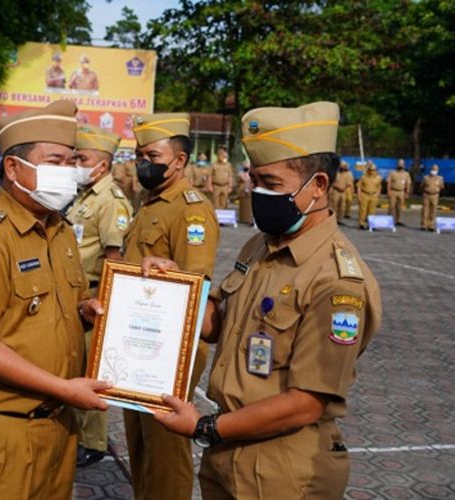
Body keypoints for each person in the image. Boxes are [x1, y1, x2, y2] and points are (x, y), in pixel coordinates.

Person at [153, 101, 382, 499]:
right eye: (253, 179)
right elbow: (220, 325)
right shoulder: (260, 245)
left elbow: (306, 403)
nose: (257, 193)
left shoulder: (337, 281)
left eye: (271, 184)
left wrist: (205, 428)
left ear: (320, 186)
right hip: (227, 456)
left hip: (285, 470)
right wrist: (179, 286)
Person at [0, 100, 110, 500]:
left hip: (57, 426)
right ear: (14, 169)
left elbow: (57, 310)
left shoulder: (60, 231)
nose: (69, 172)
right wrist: (63, 388)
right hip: (4, 432)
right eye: (56, 161)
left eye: (72, 162)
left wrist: (85, 311)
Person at [122, 112, 220, 500]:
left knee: (165, 448)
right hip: (137, 342)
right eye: (138, 154)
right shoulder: (150, 202)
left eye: (152, 154)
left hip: (169, 348)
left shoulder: (191, 209)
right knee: (141, 444)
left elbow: (194, 284)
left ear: (178, 161)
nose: (143, 162)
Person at [66, 124, 132, 467]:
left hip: (95, 296)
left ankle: (93, 442)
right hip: (75, 297)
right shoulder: (83, 196)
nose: (76, 162)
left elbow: (114, 258)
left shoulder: (110, 201)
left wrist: (104, 306)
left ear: (102, 166)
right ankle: (78, 433)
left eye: (82, 158)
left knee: (93, 370)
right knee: (76, 366)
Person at [386, 158, 412, 225]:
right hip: (393, 191)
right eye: (399, 164)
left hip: (401, 192)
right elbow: (388, 182)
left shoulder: (406, 174)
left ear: (404, 165)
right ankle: (389, 220)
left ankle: (398, 220)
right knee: (391, 206)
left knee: (400, 207)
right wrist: (388, 191)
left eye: (402, 164)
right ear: (397, 164)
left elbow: (408, 183)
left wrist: (407, 192)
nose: (400, 165)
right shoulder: (392, 172)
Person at [357, 162, 382, 229]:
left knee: (372, 211)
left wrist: (378, 194)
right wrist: (359, 196)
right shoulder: (363, 177)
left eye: (373, 170)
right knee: (363, 210)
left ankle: (371, 224)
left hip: (373, 195)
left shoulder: (378, 178)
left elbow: (379, 186)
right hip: (364, 194)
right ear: (368, 170)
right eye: (371, 170)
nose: (372, 171)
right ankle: (361, 223)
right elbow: (359, 187)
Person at [420, 164, 445, 231]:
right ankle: (423, 225)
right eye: (433, 169)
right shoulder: (426, 178)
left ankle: (431, 225)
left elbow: (442, 187)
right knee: (425, 210)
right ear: (431, 170)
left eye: (435, 169)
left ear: (437, 170)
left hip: (435, 195)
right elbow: (422, 186)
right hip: (426, 195)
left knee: (433, 211)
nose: (434, 171)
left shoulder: (440, 178)